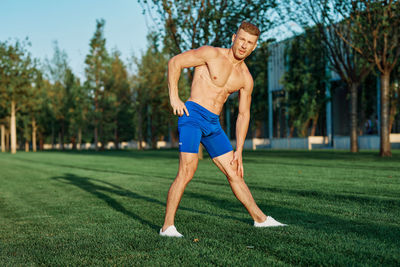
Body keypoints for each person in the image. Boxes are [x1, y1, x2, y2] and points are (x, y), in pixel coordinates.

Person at [160, 21, 286, 237]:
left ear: (254, 46)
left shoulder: (246, 78)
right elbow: (175, 62)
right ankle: (167, 227)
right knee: (187, 172)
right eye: (242, 39)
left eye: (250, 43)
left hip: (213, 124)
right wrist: (174, 97)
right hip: (192, 116)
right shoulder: (210, 54)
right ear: (233, 37)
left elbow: (243, 114)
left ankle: (261, 219)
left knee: (235, 172)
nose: (244, 45)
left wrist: (239, 150)